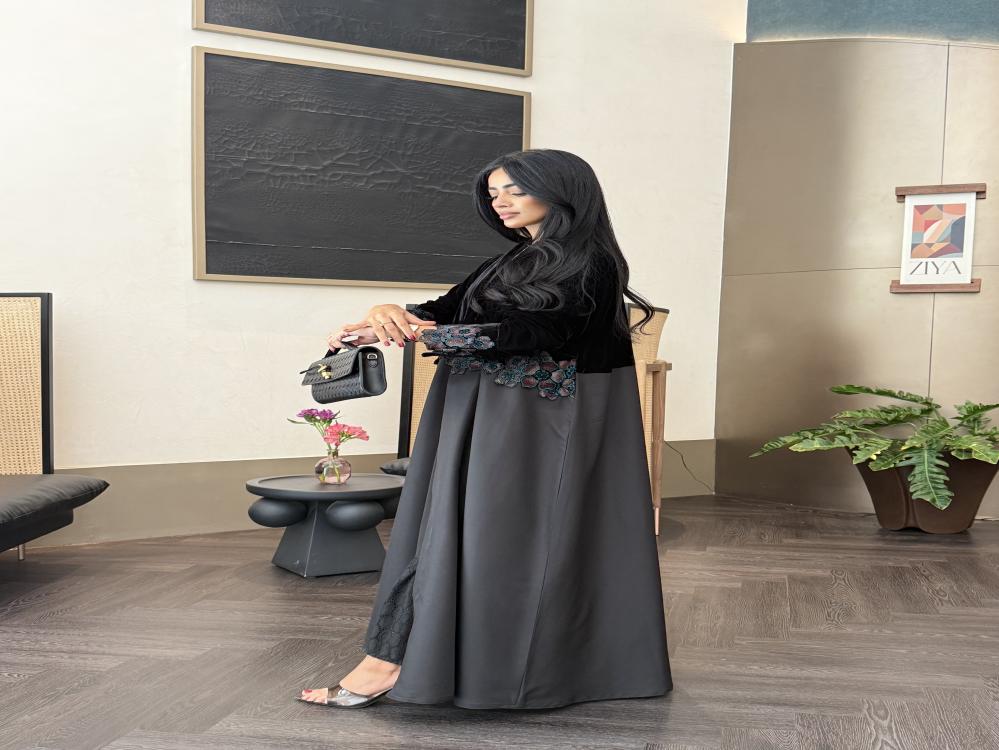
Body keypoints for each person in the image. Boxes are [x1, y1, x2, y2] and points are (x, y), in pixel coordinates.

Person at [298, 149, 673, 710]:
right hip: (483, 412)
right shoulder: (511, 260)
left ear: (562, 191)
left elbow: (532, 334)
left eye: (515, 190)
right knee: (446, 533)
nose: (501, 202)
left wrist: (425, 335)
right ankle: (395, 661)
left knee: (500, 541)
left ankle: (450, 669)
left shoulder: (592, 264)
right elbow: (447, 309)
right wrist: (383, 319)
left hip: (538, 423)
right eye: (494, 192)